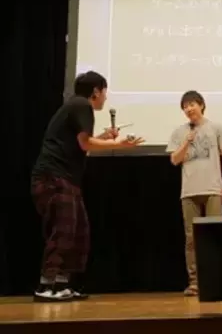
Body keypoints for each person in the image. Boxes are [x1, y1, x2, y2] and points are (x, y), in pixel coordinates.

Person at [31, 71, 144, 303]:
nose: (105, 97)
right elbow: (85, 144)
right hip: (54, 177)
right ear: (95, 91)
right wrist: (119, 144)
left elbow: (78, 143)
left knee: (78, 232)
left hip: (65, 179)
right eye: (104, 92)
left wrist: (104, 137)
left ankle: (62, 284)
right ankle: (46, 285)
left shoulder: (75, 106)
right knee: (63, 231)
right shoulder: (82, 105)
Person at [166, 91, 222, 297]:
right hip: (189, 191)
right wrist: (186, 142)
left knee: (215, 235)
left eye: (192, 104)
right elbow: (174, 160)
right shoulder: (179, 132)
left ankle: (217, 280)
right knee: (191, 238)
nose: (189, 109)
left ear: (202, 105)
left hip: (213, 188)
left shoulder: (216, 127)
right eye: (185, 106)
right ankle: (195, 282)